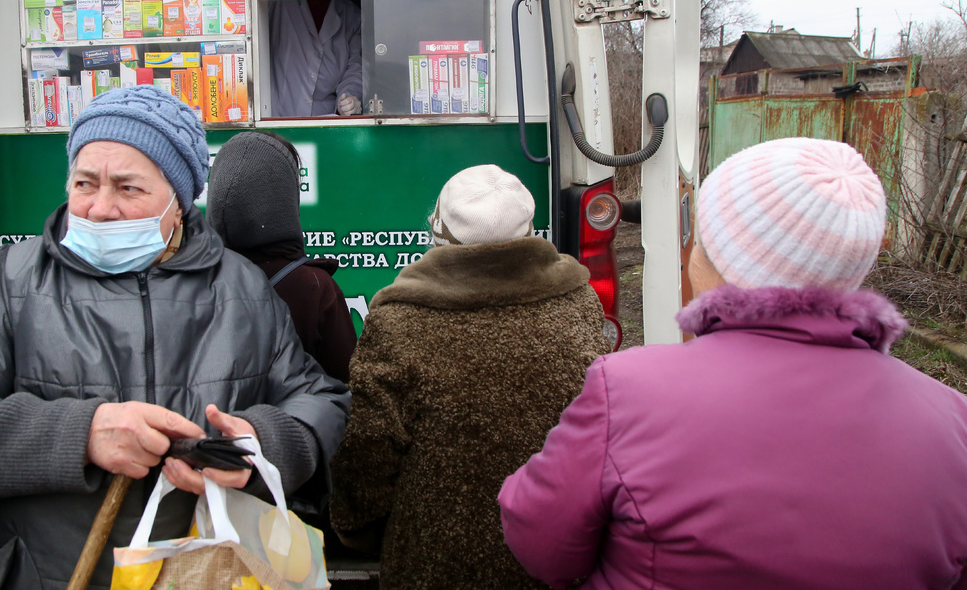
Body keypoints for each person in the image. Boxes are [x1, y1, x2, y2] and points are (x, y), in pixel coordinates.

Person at [0, 86, 350, 590]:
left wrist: (259, 447)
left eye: (128, 188)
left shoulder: (240, 286)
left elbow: (319, 401)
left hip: (203, 576)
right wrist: (81, 433)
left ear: (179, 202)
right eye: (85, 183)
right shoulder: (16, 279)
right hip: (44, 575)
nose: (100, 208)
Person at [499, 137, 967, 590]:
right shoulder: (954, 422)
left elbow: (541, 545)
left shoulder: (625, 390)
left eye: (703, 239)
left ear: (723, 263)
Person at [329, 164, 611, 589]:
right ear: (531, 233)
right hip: (555, 561)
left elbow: (370, 453)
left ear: (438, 236)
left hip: (433, 566)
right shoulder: (578, 304)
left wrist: (360, 531)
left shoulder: (401, 321)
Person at [206, 130, 356, 383]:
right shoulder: (313, 288)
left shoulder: (187, 282)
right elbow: (349, 386)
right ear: (283, 198)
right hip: (295, 421)